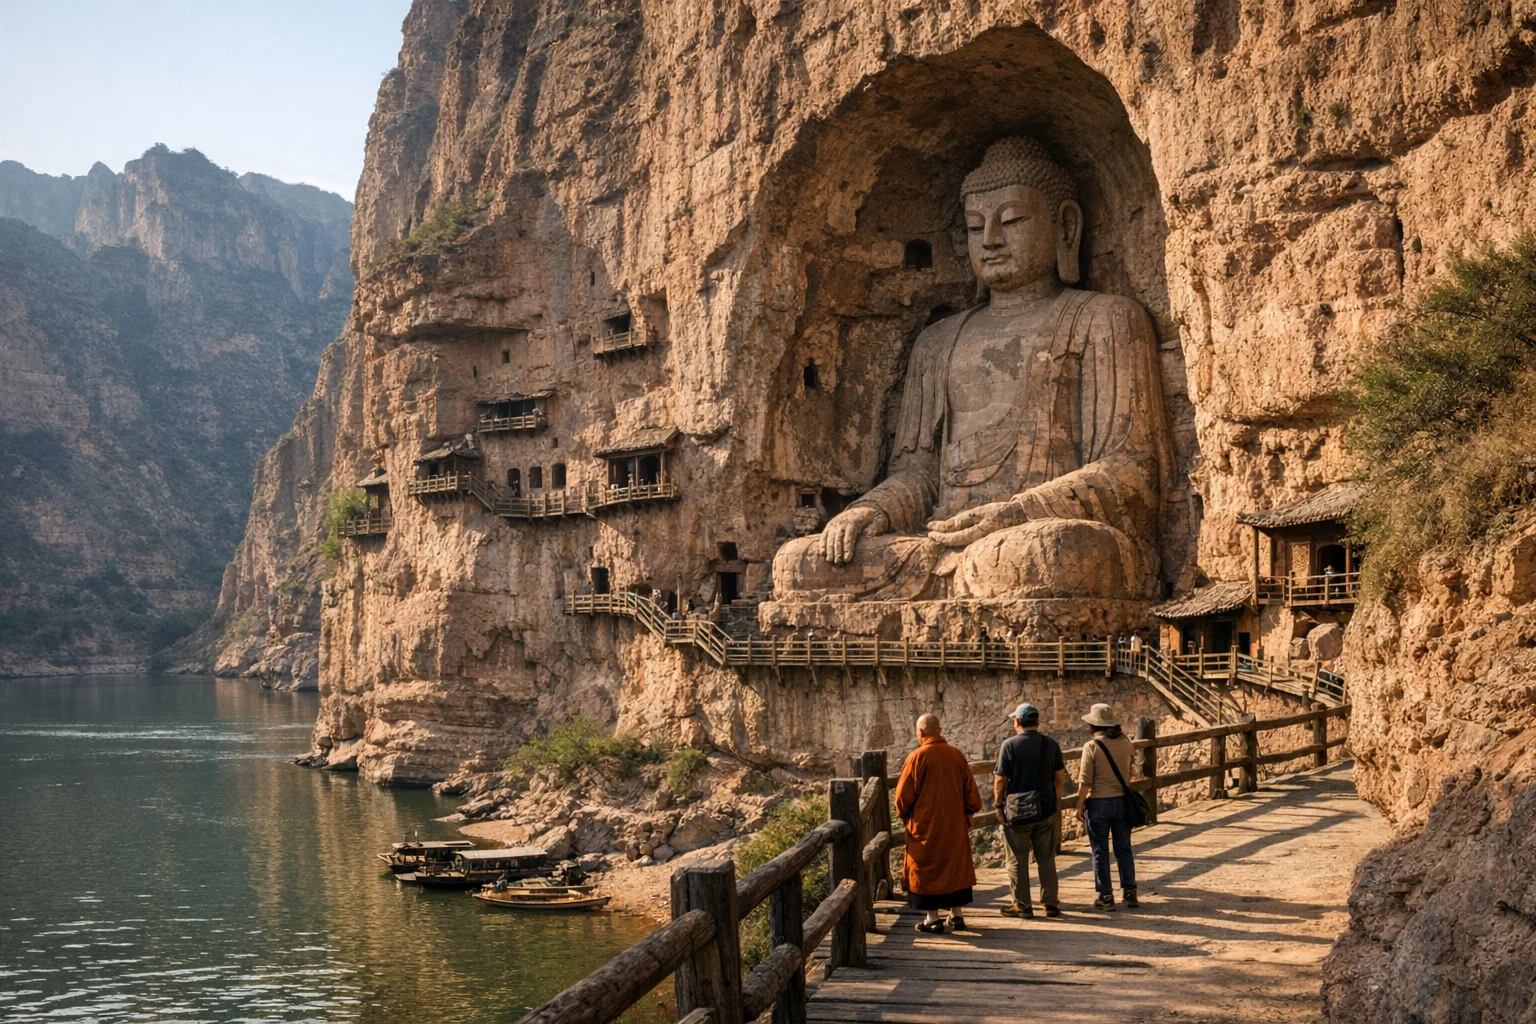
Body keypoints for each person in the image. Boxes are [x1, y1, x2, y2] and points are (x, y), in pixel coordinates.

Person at [895, 713, 983, 933]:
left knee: (927, 868)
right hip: (954, 823)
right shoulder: (956, 755)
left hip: (925, 826)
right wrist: (970, 811)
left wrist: (904, 814)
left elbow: (902, 797)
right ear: (940, 730)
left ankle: (932, 918)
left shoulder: (916, 757)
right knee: (955, 864)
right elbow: (969, 789)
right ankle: (956, 914)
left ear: (921, 733)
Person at [992, 702, 1065, 918]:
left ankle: (1022, 905)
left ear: (1017, 722)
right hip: (1045, 810)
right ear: (1037, 722)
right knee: (1046, 858)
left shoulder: (1009, 745)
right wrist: (1053, 803)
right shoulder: (1050, 744)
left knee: (1017, 859)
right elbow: (1059, 779)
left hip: (1018, 812)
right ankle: (1050, 903)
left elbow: (1000, 780)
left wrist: (998, 805)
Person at [1075, 703, 1139, 911]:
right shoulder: (1126, 743)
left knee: (1100, 851)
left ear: (1094, 725)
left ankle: (1106, 896)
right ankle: (1130, 892)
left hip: (1098, 803)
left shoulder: (1091, 747)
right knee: (1123, 849)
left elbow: (1085, 781)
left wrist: (1079, 805)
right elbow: (1132, 771)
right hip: (1122, 801)